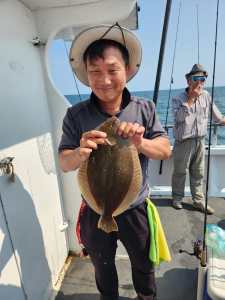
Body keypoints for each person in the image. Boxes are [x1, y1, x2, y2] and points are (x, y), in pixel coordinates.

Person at [58, 23, 171, 300]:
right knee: (102, 267)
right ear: (86, 74)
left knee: (144, 266)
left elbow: (165, 150)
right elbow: (65, 162)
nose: (104, 79)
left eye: (112, 70)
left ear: (128, 70)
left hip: (134, 209)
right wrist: (80, 151)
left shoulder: (145, 108)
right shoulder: (76, 115)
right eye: (95, 72)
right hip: (96, 210)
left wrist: (139, 143)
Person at [171, 63, 225, 214]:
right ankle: (177, 198)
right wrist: (190, 99)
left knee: (198, 172)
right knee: (180, 171)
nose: (200, 82)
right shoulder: (178, 99)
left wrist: (223, 120)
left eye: (203, 79)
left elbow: (218, 117)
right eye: (196, 78)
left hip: (200, 141)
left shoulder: (207, 96)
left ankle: (198, 201)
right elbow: (178, 118)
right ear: (189, 80)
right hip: (183, 141)